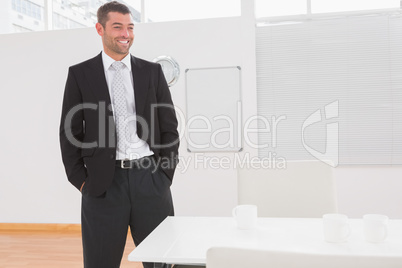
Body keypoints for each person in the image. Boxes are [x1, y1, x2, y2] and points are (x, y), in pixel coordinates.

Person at [59, 1, 179, 268]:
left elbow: (169, 125)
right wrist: (81, 182)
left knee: (162, 261)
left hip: (150, 179)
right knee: (100, 262)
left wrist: (165, 175)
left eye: (130, 27)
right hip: (102, 185)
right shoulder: (80, 74)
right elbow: (70, 132)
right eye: (117, 27)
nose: (126, 34)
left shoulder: (152, 72)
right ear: (99, 29)